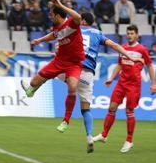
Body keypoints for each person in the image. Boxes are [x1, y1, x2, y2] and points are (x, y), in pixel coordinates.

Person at [56, 13, 143, 153]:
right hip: (90, 74)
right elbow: (114, 47)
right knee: (87, 109)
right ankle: (91, 136)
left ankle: (65, 120)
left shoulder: (74, 30)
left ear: (82, 21)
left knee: (53, 72)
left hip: (76, 68)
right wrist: (127, 55)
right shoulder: (98, 33)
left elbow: (61, 42)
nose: (129, 35)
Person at [21, 0, 85, 132]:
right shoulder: (56, 26)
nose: (49, 17)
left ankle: (65, 121)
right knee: (33, 83)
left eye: (51, 14)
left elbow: (78, 17)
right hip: (59, 61)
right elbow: (54, 35)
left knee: (72, 87)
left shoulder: (72, 24)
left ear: (57, 15)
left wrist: (61, 4)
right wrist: (40, 40)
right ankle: (32, 90)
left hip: (74, 64)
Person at [93, 25, 156, 153]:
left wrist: (153, 83)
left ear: (137, 35)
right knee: (111, 108)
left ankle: (129, 140)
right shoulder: (124, 48)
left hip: (134, 85)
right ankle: (104, 135)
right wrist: (111, 78)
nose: (129, 35)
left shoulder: (142, 49)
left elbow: (149, 66)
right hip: (121, 83)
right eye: (128, 33)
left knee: (129, 111)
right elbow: (119, 65)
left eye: (132, 33)